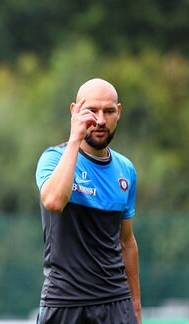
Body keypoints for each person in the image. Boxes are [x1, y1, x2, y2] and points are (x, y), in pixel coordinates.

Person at [35, 78, 142, 323]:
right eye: (91, 110)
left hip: (116, 303)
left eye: (108, 111)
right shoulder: (53, 159)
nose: (100, 120)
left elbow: (126, 241)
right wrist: (75, 140)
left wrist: (135, 307)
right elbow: (53, 201)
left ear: (119, 113)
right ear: (74, 112)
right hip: (65, 303)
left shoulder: (126, 170)